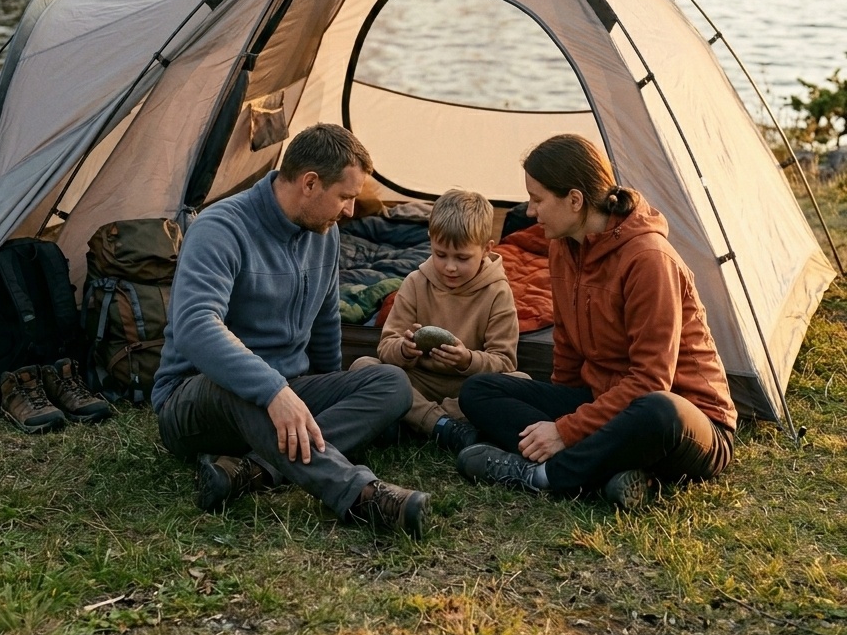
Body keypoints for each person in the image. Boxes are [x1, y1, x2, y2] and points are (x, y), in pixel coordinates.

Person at [151, 123, 430, 538]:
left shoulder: (326, 232)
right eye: (345, 197)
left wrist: (326, 384)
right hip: (197, 398)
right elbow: (195, 326)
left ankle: (254, 468)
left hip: (289, 386)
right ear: (310, 183)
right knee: (242, 386)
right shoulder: (220, 228)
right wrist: (274, 391)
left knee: (391, 383)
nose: (351, 211)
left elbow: (324, 321)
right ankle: (361, 497)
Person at [456, 134, 737, 510]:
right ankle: (608, 471)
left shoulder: (649, 260)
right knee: (479, 390)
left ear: (574, 200)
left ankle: (541, 475)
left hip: (687, 422)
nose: (530, 211)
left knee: (658, 409)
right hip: (605, 400)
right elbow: (568, 347)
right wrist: (560, 414)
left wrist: (565, 430)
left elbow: (652, 381)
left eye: (538, 199)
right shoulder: (562, 247)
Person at [352, 189, 520, 455]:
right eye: (441, 255)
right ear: (430, 241)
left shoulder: (497, 291)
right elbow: (386, 348)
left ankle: (416, 421)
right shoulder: (415, 282)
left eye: (462, 258)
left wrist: (467, 360)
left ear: (487, 249)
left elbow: (505, 362)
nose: (450, 267)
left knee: (521, 381)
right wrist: (405, 350)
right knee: (363, 367)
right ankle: (443, 426)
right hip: (417, 382)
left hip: (467, 389)